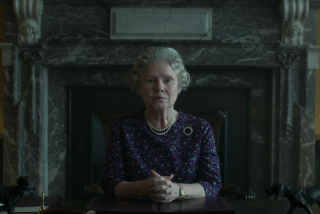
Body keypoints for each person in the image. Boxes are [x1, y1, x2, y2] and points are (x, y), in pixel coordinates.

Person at [101, 47, 221, 203]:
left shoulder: (200, 128)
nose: (159, 87)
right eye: (151, 80)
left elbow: (212, 183)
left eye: (168, 80)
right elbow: (110, 183)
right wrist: (143, 188)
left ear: (179, 86)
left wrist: (177, 190)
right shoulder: (122, 128)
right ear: (138, 87)